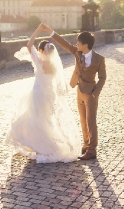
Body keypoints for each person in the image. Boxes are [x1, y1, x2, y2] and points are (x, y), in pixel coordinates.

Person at [5, 25, 81, 163]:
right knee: (46, 121)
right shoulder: (53, 64)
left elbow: (29, 45)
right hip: (50, 95)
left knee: (36, 121)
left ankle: (42, 148)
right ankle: (45, 146)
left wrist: (37, 30)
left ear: (41, 50)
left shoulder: (39, 61)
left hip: (38, 94)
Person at [40, 23, 106, 160]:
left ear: (85, 44)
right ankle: (86, 144)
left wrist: (95, 92)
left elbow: (102, 77)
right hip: (79, 92)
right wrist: (49, 30)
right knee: (82, 120)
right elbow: (63, 43)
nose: (77, 44)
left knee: (91, 122)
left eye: (79, 42)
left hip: (91, 94)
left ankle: (92, 150)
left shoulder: (99, 59)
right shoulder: (78, 52)